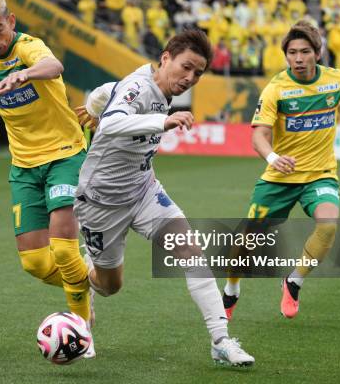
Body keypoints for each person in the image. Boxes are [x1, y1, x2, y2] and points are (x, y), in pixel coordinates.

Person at [74, 28, 255, 366]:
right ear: (166, 58)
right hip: (101, 203)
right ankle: (83, 275)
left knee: (191, 250)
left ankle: (221, 341)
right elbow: (113, 123)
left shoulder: (154, 86)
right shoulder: (139, 87)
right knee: (109, 286)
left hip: (144, 192)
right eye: (185, 67)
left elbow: (106, 92)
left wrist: (92, 105)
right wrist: (163, 121)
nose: (189, 78)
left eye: (198, 74)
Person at [0, 0, 95, 357]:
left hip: (64, 155)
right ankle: (83, 285)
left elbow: (54, 66)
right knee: (36, 263)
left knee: (65, 250)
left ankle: (82, 330)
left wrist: (24, 74)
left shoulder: (28, 47)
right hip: (23, 166)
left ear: (11, 22)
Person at [222, 20, 340, 320]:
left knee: (328, 225)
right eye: (292, 53)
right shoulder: (276, 88)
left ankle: (294, 281)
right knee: (247, 241)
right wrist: (272, 157)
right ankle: (231, 288)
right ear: (286, 55)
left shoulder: (337, 80)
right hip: (280, 178)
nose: (298, 59)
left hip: (320, 173)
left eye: (304, 52)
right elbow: (258, 135)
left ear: (318, 53)